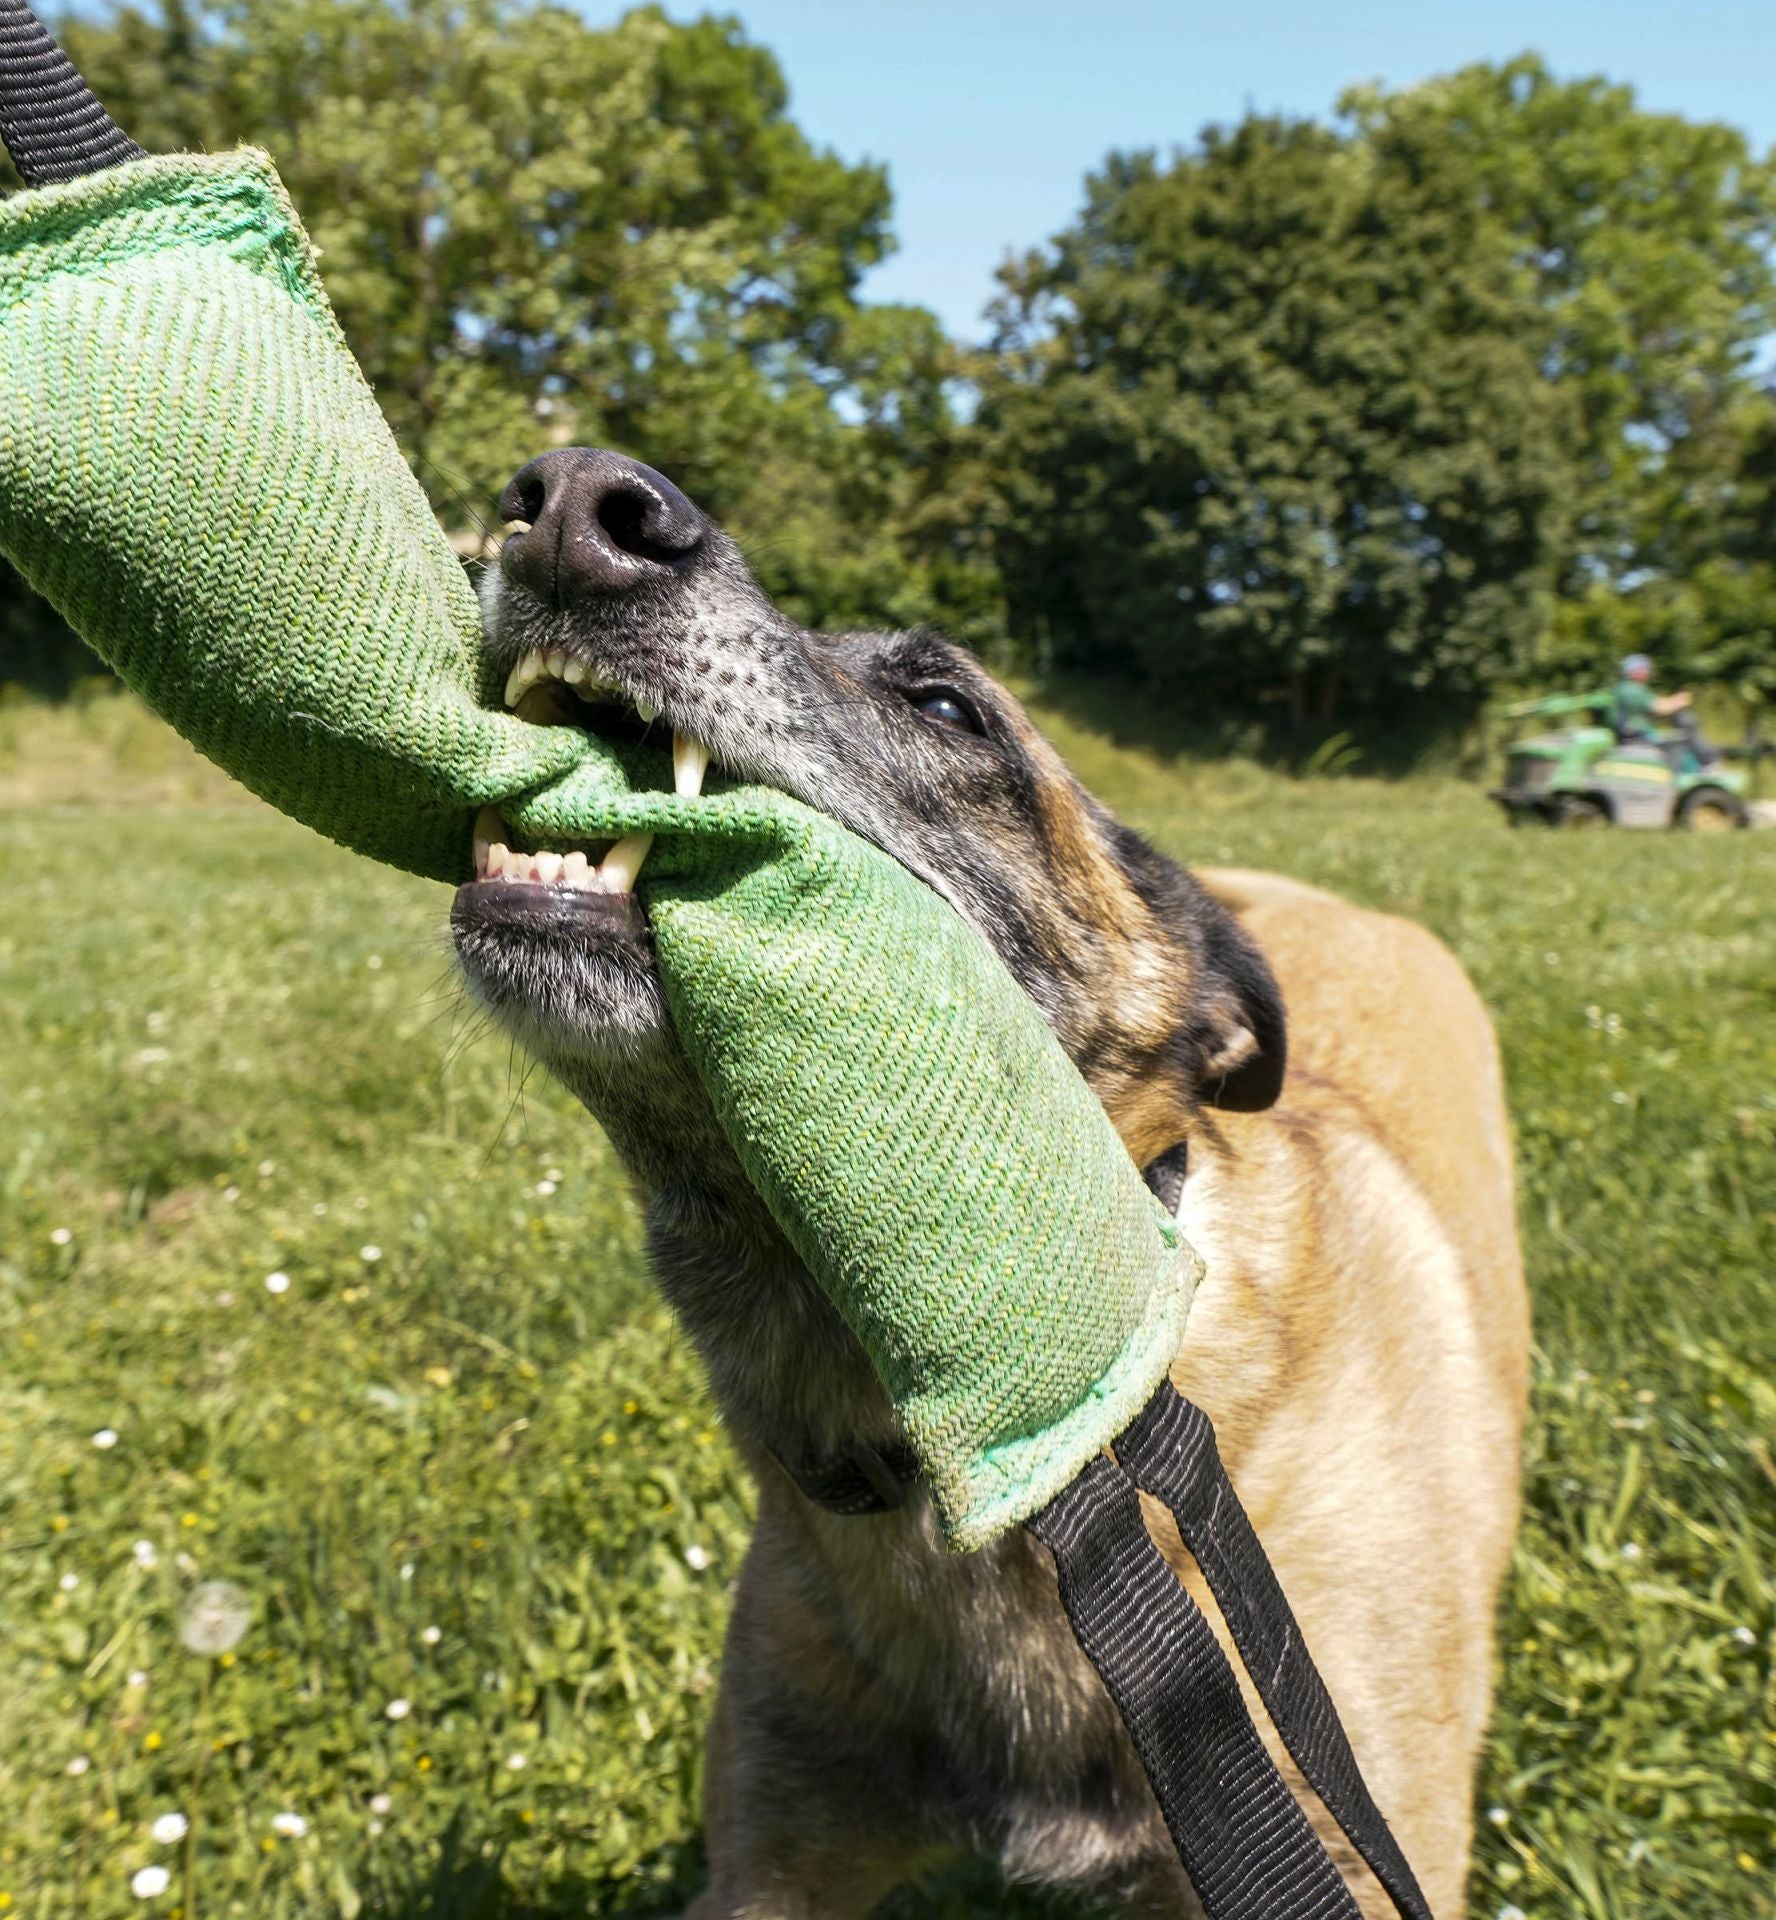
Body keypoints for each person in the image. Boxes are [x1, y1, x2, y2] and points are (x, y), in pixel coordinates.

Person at [1612, 654, 1695, 771]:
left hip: (1638, 733)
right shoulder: (1632, 690)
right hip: (1640, 734)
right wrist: (1680, 700)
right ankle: (1692, 776)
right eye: (1645, 669)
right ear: (1636, 671)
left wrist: (1674, 701)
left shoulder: (1625, 688)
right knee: (1680, 747)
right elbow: (1660, 707)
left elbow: (1655, 708)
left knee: (1675, 739)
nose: (1648, 672)